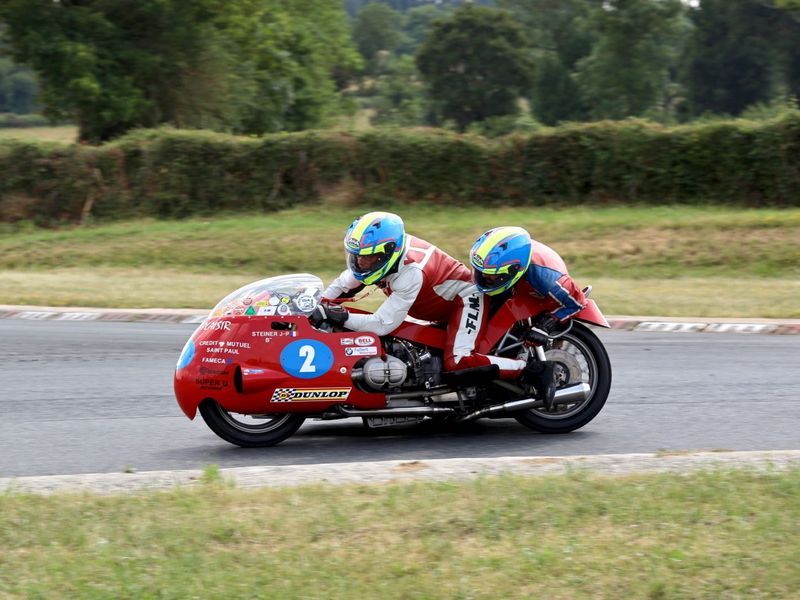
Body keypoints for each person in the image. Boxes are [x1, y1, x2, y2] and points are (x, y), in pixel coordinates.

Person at [311, 211, 528, 378]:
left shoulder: (411, 272)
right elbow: (341, 286)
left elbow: (381, 324)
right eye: (356, 255)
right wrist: (313, 307)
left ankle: (526, 369)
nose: (360, 262)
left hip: (465, 297)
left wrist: (341, 316)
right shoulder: (376, 257)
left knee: (459, 363)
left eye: (367, 257)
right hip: (429, 305)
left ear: (387, 252)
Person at [468, 226, 588, 409]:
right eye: (481, 272)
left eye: (491, 276)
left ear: (513, 270)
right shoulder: (494, 264)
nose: (483, 278)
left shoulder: (546, 278)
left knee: (510, 328)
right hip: (520, 281)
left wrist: (545, 325)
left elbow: (578, 302)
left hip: (543, 293)